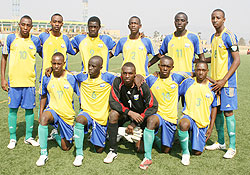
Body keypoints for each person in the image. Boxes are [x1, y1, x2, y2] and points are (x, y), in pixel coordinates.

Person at [140, 56, 191, 170]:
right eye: (162, 65)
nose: (165, 68)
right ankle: (147, 157)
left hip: (171, 118)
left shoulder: (177, 78)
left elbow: (196, 72)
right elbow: (139, 78)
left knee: (165, 150)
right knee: (151, 120)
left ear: (172, 68)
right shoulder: (152, 79)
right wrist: (139, 76)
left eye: (168, 66)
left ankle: (154, 139)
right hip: (157, 115)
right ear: (159, 66)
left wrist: (213, 80)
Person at [104, 62, 158, 164]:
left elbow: (153, 105)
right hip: (125, 114)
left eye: (130, 73)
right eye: (125, 73)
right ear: (121, 73)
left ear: (135, 74)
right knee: (113, 114)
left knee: (140, 149)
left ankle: (127, 133)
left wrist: (135, 123)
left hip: (139, 116)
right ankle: (112, 150)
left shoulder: (142, 86)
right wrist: (129, 113)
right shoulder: (117, 82)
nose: (127, 76)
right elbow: (113, 102)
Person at [1, 15, 41, 149]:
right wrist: (3, 78)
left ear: (31, 27)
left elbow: (44, 54)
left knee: (29, 110)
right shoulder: (11, 38)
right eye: (23, 24)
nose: (25, 27)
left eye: (28, 25)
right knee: (13, 110)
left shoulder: (35, 41)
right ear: (19, 24)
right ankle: (13, 138)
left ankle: (28, 137)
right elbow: (4, 58)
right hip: (14, 82)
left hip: (29, 82)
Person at [205, 9, 240, 159]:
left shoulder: (229, 36)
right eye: (213, 18)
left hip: (227, 83)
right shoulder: (213, 37)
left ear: (224, 19)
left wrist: (224, 80)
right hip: (214, 83)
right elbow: (214, 57)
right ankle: (220, 142)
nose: (215, 20)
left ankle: (232, 147)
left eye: (218, 18)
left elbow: (237, 60)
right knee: (217, 112)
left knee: (228, 113)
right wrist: (199, 60)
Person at [36, 52, 79, 166]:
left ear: (64, 63)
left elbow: (81, 93)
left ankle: (55, 134)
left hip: (67, 114)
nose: (56, 66)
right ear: (51, 64)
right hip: (53, 110)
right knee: (44, 118)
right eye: (54, 63)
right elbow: (43, 95)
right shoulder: (47, 77)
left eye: (59, 64)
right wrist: (41, 113)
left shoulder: (71, 78)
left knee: (66, 147)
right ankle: (43, 154)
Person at [73, 56, 117, 167]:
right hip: (86, 113)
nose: (90, 68)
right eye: (89, 65)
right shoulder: (82, 77)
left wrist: (139, 76)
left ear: (101, 68)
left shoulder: (108, 78)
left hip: (101, 116)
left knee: (99, 150)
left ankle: (99, 132)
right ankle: (79, 154)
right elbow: (68, 73)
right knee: (79, 120)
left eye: (93, 66)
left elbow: (124, 76)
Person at [178, 61, 218, 166]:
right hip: (189, 117)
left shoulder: (212, 87)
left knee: (197, 152)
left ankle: (190, 139)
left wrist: (211, 127)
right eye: (198, 70)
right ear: (195, 71)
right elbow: (175, 93)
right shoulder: (188, 83)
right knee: (183, 124)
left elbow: (214, 108)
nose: (200, 73)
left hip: (202, 122)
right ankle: (185, 154)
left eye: (203, 70)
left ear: (207, 71)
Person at [39, 13, 75, 85]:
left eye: (59, 22)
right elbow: (37, 49)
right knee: (44, 96)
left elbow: (73, 51)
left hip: (62, 76)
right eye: (54, 22)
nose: (57, 24)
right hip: (46, 75)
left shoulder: (65, 39)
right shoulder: (43, 36)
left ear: (62, 24)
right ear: (51, 23)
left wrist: (86, 34)